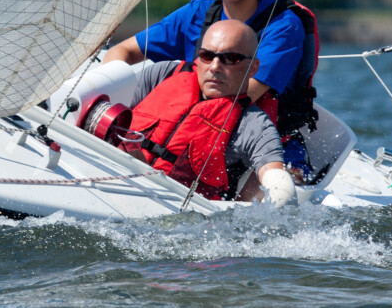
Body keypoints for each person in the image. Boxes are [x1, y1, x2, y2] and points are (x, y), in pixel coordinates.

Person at [104, 0, 318, 133]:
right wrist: (113, 99)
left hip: (259, 142)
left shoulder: (284, 25)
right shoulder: (195, 14)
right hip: (184, 128)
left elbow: (243, 97)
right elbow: (123, 50)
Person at [115, 19, 295, 207]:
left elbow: (277, 180)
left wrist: (281, 192)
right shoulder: (162, 74)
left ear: (253, 68)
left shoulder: (254, 124)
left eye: (231, 58)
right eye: (207, 55)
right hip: (110, 179)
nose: (215, 66)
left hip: (174, 209)